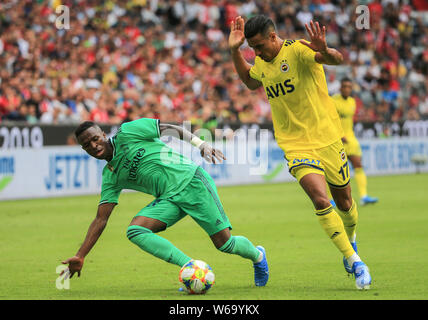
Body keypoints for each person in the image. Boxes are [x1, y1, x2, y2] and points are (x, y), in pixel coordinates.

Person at [228, 15, 371, 289]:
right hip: (295, 145)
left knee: (345, 204)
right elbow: (249, 80)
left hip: (327, 138)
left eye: (259, 46)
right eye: (251, 48)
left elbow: (335, 59)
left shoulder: (298, 50)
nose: (256, 53)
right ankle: (355, 261)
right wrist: (234, 51)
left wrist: (324, 50)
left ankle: (350, 237)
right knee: (320, 199)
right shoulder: (261, 62)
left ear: (273, 37)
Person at [61, 118, 269, 287]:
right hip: (169, 199)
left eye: (96, 139)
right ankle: (189, 267)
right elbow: (101, 218)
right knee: (135, 230)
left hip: (192, 183)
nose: (94, 146)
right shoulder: (110, 176)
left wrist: (201, 144)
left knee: (225, 244)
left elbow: (170, 129)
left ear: (104, 135)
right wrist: (81, 255)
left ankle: (258, 256)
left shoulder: (128, 132)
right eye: (87, 145)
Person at [332, 78, 378, 206]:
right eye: (344, 86)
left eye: (349, 86)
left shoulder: (352, 102)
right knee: (334, 170)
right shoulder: (333, 101)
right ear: (340, 88)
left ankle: (364, 196)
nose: (347, 89)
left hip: (350, 139)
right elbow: (329, 120)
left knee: (358, 164)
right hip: (337, 139)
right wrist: (339, 134)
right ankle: (332, 199)